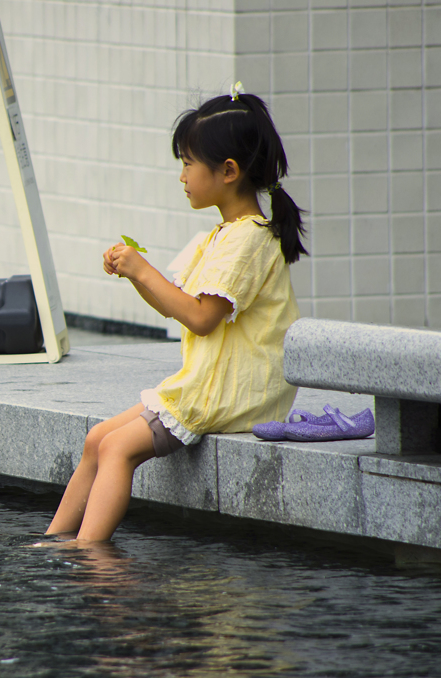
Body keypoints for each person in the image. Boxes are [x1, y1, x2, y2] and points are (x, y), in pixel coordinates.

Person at [46, 85, 308, 543]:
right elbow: (183, 308)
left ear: (228, 171)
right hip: (208, 381)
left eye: (188, 163)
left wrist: (142, 269)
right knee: (96, 441)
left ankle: (89, 555)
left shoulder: (248, 239)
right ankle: (53, 540)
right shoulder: (224, 235)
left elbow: (203, 318)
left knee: (117, 447)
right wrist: (134, 274)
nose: (182, 176)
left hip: (230, 392)